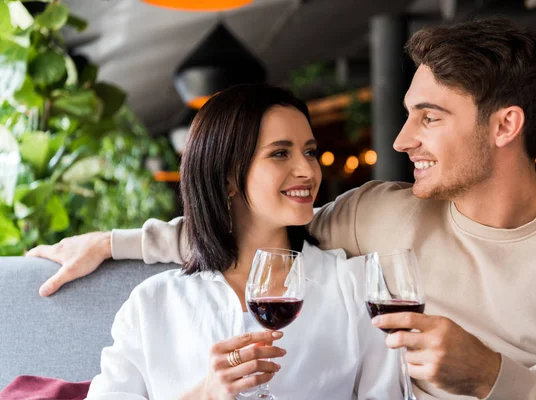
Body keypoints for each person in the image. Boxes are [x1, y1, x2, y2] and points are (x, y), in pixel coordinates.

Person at [28, 16, 536, 400]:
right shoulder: (377, 213)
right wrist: (112, 243)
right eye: (407, 115)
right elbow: (253, 228)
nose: (400, 142)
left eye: (429, 117)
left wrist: (494, 377)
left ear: (505, 125)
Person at [79, 83, 402, 399]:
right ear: (228, 178)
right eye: (280, 153)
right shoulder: (153, 303)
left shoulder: (356, 286)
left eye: (309, 151)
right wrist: (204, 395)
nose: (307, 169)